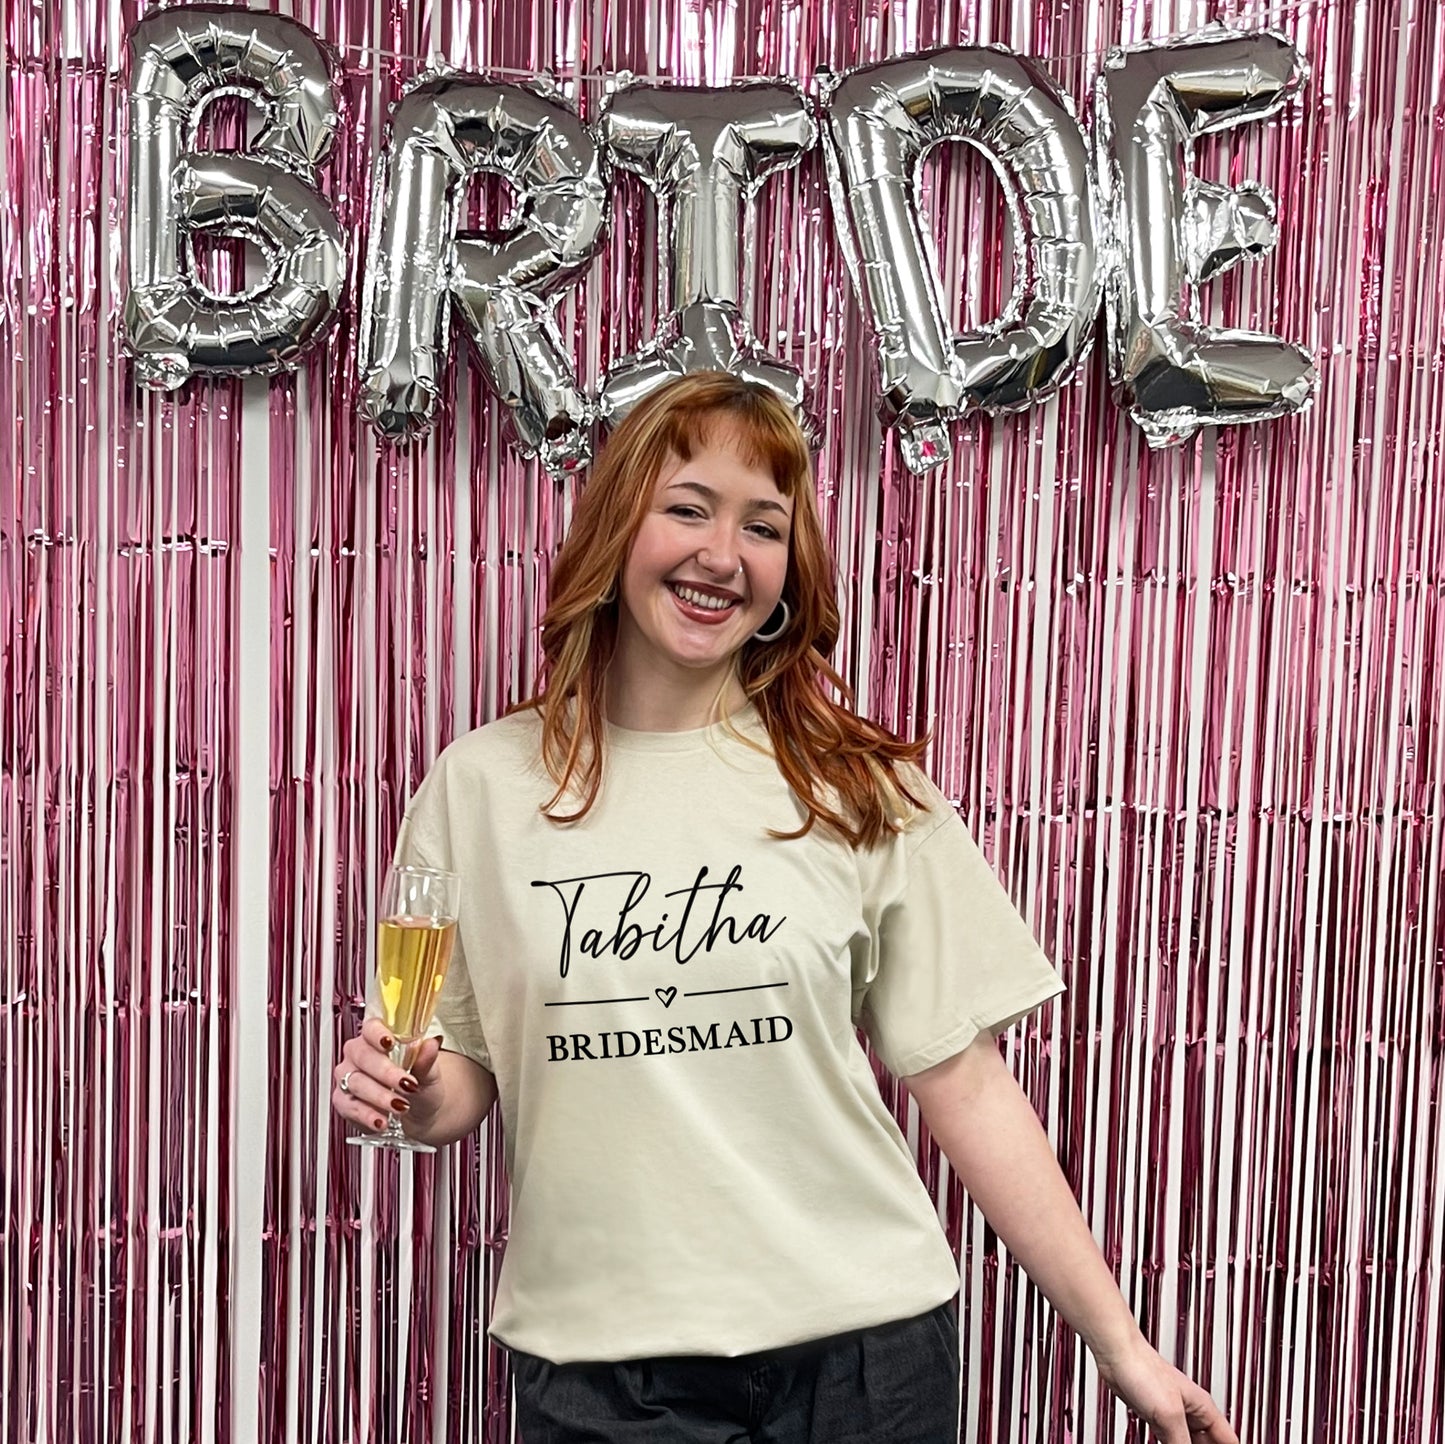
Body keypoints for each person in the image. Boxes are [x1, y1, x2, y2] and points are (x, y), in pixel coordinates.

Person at [331, 372, 1238, 1444]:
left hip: (861, 1361)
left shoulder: (858, 784)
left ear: (788, 570)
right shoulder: (479, 786)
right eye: (688, 508)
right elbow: (457, 1073)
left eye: (762, 526)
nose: (723, 555)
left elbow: (964, 1083)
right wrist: (402, 1092)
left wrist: (1121, 1345)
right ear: (616, 525)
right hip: (600, 1370)